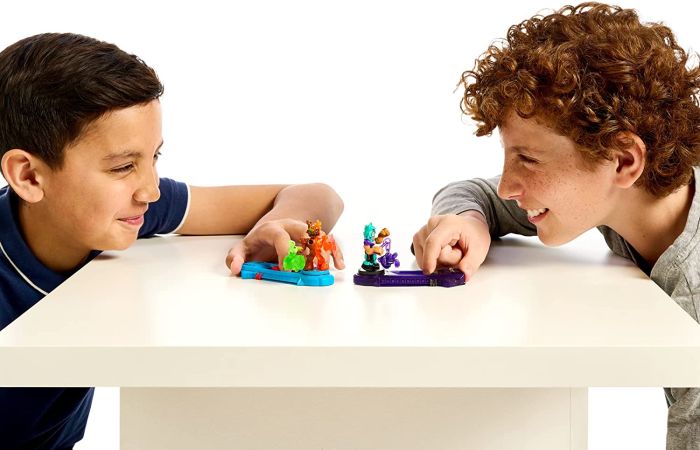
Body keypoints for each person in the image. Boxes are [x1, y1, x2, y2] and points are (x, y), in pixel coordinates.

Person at [0, 32, 345, 449]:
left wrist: (274, 225)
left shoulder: (121, 211)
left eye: (154, 157)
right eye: (123, 167)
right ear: (29, 176)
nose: (150, 190)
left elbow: (319, 195)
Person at [411, 3, 699, 448]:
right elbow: (475, 192)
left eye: (528, 159)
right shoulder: (627, 199)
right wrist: (468, 221)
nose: (507, 186)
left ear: (624, 161)